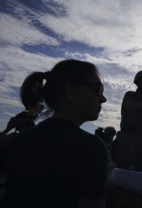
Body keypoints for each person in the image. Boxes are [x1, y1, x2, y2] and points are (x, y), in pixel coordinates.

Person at [3, 59, 108, 208]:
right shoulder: (90, 147)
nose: (103, 99)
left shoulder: (17, 141)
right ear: (70, 92)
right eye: (98, 89)